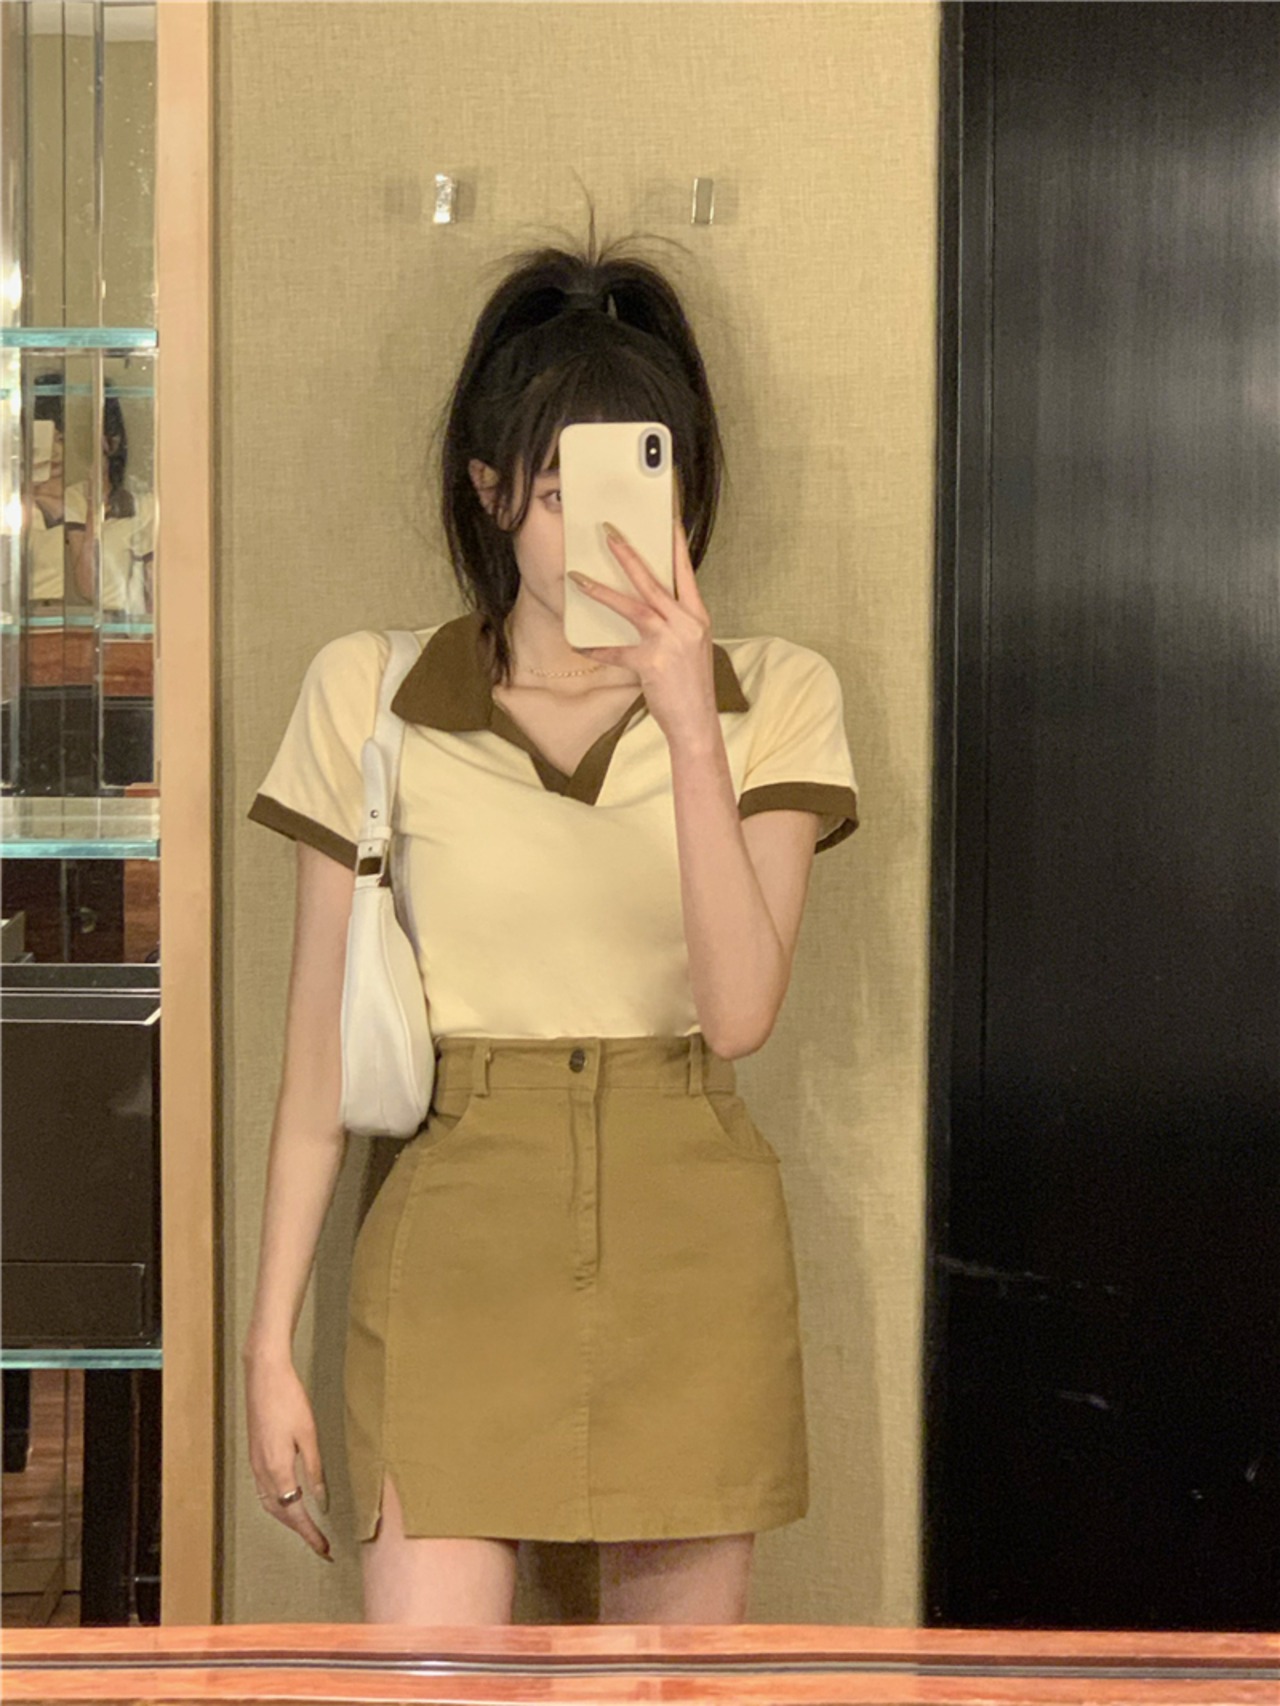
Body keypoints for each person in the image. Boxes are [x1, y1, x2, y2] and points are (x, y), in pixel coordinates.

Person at [241, 229, 860, 1626]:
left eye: (637, 480)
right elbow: (316, 1072)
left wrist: (690, 720)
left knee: (667, 1701)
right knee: (436, 1686)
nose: (598, 529)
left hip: (689, 1243)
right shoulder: (369, 693)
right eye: (559, 488)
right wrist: (266, 1348)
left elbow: (742, 1010)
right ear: (490, 487)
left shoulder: (780, 694)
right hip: (457, 1238)